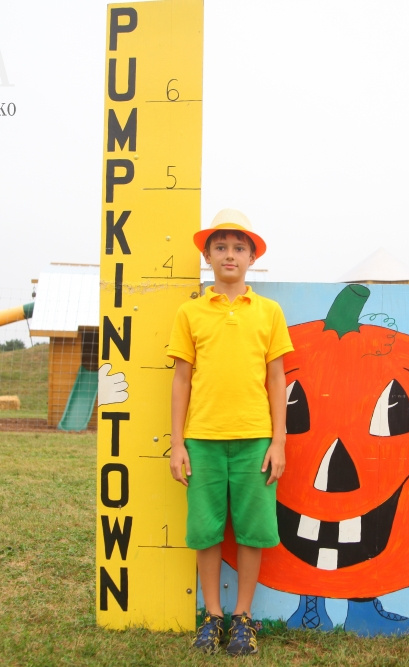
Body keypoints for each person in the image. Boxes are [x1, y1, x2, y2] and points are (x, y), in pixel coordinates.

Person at [167, 208, 293, 656]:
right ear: (207, 254)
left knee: (254, 531)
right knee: (205, 531)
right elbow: (181, 378)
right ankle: (213, 616)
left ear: (252, 257)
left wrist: (278, 441)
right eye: (220, 246)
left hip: (256, 441)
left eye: (239, 247)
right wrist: (177, 443)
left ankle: (242, 617)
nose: (230, 254)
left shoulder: (268, 312)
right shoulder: (190, 313)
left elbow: (276, 379)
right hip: (202, 439)